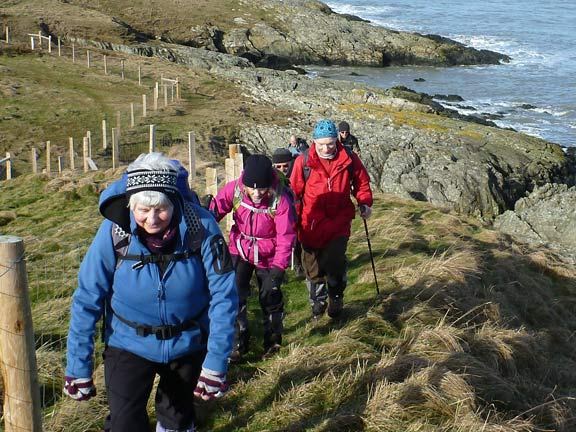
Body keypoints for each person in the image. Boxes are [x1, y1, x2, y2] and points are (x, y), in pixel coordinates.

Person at [64, 153, 238, 432]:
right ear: (130, 205)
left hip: (187, 342)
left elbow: (224, 296)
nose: (152, 219)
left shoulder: (202, 227)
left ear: (175, 202)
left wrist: (216, 362)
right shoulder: (114, 232)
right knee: (124, 423)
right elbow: (87, 297)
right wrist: (78, 367)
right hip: (127, 342)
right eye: (143, 210)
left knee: (177, 421)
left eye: (161, 209)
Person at [210, 154, 296, 361]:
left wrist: (279, 268)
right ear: (244, 183)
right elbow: (216, 211)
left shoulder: (280, 199)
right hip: (239, 249)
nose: (257, 193)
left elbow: (286, 236)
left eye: (262, 188)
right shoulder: (235, 190)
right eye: (252, 188)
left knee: (270, 297)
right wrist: (205, 215)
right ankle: (238, 343)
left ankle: (273, 342)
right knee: (234, 296)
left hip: (270, 255)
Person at [290, 119, 373, 320]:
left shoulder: (349, 158)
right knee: (313, 267)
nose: (326, 148)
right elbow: (293, 193)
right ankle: (317, 303)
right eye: (321, 144)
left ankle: (336, 297)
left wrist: (365, 202)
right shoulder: (303, 162)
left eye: (330, 143)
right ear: (314, 142)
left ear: (337, 140)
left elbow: (361, 182)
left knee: (335, 262)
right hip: (310, 223)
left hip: (339, 221)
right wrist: (291, 222)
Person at [272, 147, 305, 277]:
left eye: (285, 166)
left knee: (299, 241)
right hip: (278, 215)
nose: (282, 170)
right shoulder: (271, 178)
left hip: (299, 213)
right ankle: (280, 270)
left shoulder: (300, 173)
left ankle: (300, 265)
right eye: (278, 167)